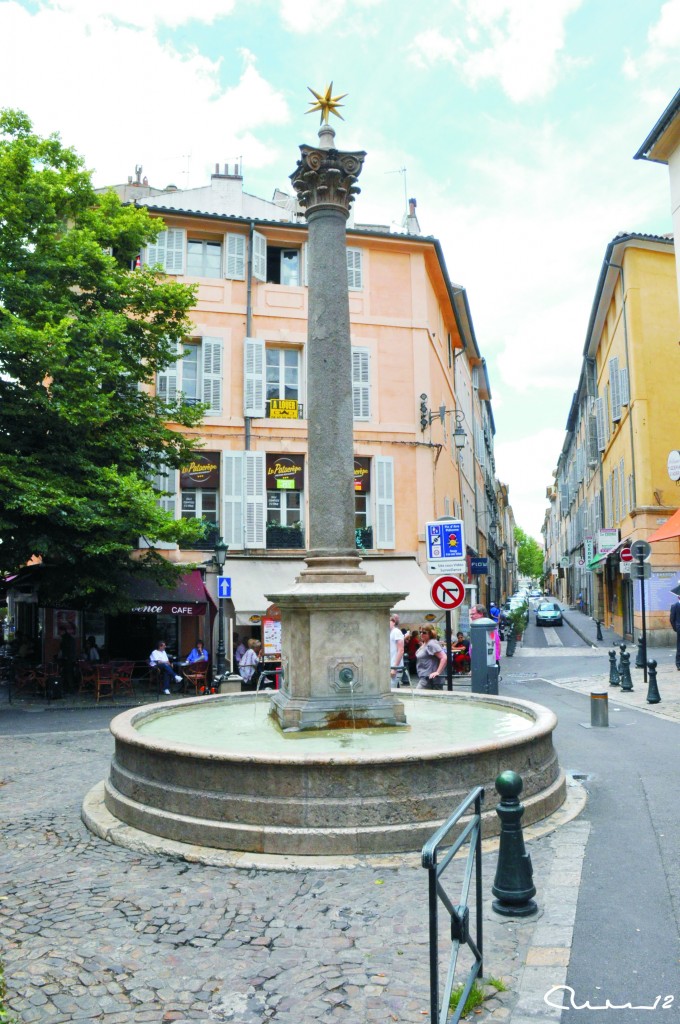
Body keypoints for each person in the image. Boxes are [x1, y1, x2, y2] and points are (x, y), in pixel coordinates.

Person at [389, 613, 406, 687]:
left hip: (395, 668)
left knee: (390, 691)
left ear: (393, 622)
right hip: (391, 667)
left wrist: (395, 668)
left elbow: (401, 650)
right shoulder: (391, 632)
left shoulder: (396, 632)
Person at [670, 588, 680, 670]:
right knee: (679, 646)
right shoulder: (675, 606)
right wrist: (676, 628)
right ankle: (678, 663)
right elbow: (672, 619)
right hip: (679, 628)